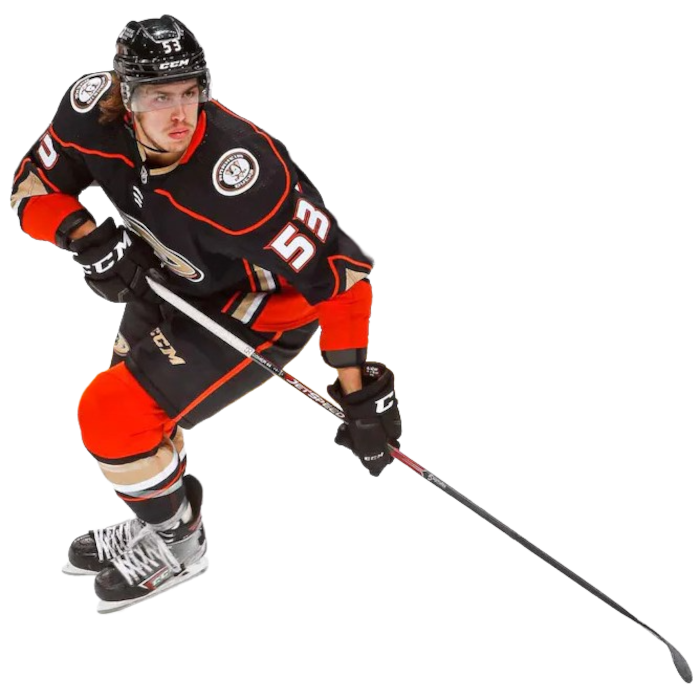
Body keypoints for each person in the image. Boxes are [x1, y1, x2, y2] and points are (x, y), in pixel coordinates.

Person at [10, 14, 402, 615]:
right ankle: (163, 520)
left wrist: (359, 391)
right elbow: (30, 189)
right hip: (169, 282)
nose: (180, 114)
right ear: (124, 96)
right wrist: (84, 235)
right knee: (137, 417)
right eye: (160, 96)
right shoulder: (90, 113)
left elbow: (342, 279)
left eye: (190, 92)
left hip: (255, 311)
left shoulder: (243, 176)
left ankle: (180, 546)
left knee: (113, 416)